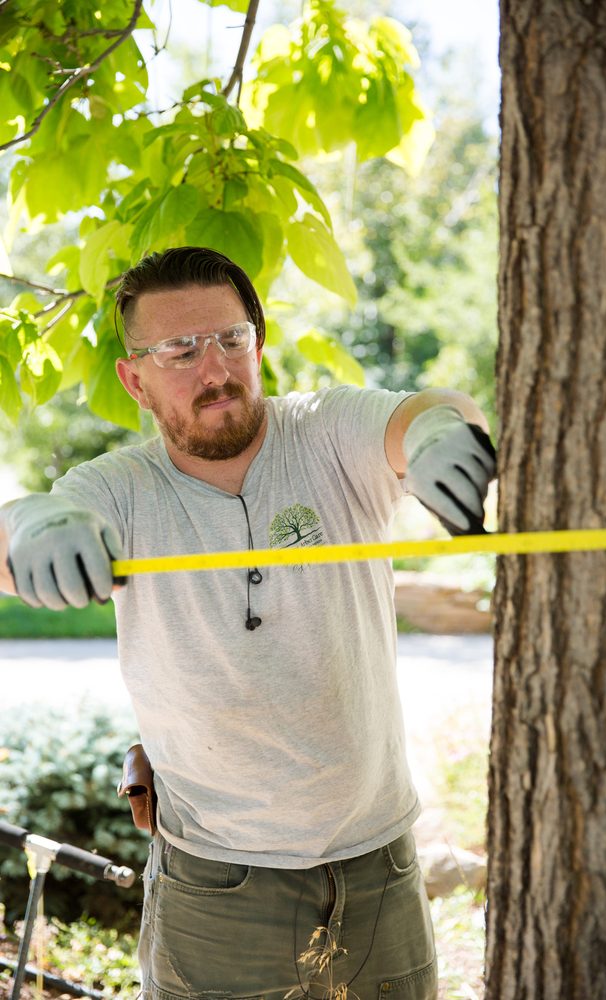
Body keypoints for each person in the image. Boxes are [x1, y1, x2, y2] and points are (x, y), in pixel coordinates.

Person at [0, 247, 495, 1000]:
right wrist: (31, 525)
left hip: (381, 868)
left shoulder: (326, 432)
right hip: (215, 887)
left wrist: (441, 432)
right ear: (135, 377)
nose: (214, 369)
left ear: (258, 346)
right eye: (179, 350)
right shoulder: (118, 487)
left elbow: (423, 411)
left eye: (232, 340)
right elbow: (17, 539)